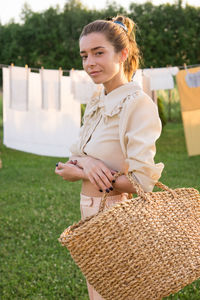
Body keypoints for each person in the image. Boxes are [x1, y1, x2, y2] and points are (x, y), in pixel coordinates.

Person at [55, 15, 164, 300]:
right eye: (84, 55)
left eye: (99, 53)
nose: (89, 63)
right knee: (98, 294)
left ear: (123, 53)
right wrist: (88, 163)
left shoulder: (137, 104)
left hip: (116, 216)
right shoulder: (97, 100)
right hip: (89, 213)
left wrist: (82, 171)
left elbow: (143, 183)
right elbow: (74, 156)